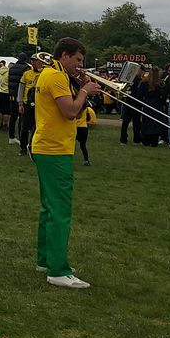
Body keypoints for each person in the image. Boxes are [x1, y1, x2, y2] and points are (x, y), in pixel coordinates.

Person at [31, 38, 100, 289]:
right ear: (64, 56)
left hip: (50, 146)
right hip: (54, 149)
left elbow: (75, 112)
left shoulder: (54, 75)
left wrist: (81, 90)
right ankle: (58, 270)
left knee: (49, 208)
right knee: (59, 210)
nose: (80, 65)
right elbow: (70, 111)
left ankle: (46, 260)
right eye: (78, 60)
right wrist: (84, 91)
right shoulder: (55, 76)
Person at [16, 55, 43, 155]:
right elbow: (21, 89)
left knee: (37, 127)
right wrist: (20, 103)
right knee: (24, 127)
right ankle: (23, 148)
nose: (33, 63)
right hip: (27, 104)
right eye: (32, 61)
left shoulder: (44, 74)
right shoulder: (27, 74)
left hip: (40, 105)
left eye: (36, 61)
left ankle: (33, 147)